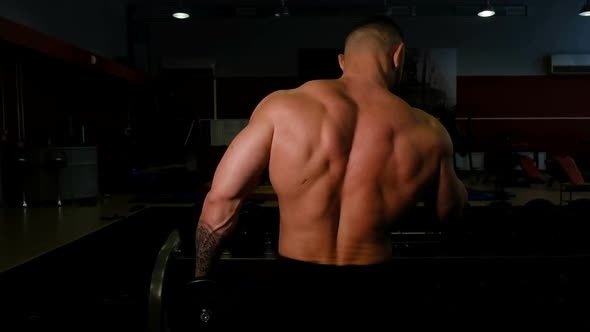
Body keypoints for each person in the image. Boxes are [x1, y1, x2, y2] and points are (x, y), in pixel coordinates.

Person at [192, 15, 468, 328]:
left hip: (296, 284)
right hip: (375, 286)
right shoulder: (430, 131)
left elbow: (220, 202)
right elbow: (449, 214)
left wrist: (202, 280)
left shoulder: (281, 107)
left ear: (342, 61)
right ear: (398, 55)